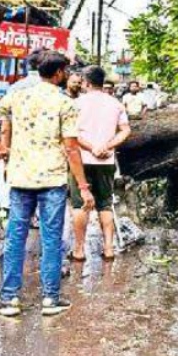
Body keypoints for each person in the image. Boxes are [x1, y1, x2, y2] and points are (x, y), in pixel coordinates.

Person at [0, 51, 93, 318]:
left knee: (15, 237)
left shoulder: (18, 96)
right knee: (51, 239)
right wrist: (84, 187)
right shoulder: (66, 104)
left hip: (20, 177)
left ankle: (9, 300)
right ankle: (50, 300)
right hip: (52, 178)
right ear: (60, 72)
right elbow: (72, 149)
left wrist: (1, 149)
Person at [71, 66, 131, 261]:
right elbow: (125, 130)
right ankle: (108, 248)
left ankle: (79, 250)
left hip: (81, 160)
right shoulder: (116, 104)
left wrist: (91, 148)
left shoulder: (76, 104)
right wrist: (106, 146)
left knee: (81, 204)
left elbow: (72, 134)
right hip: (106, 161)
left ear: (86, 83)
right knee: (105, 204)